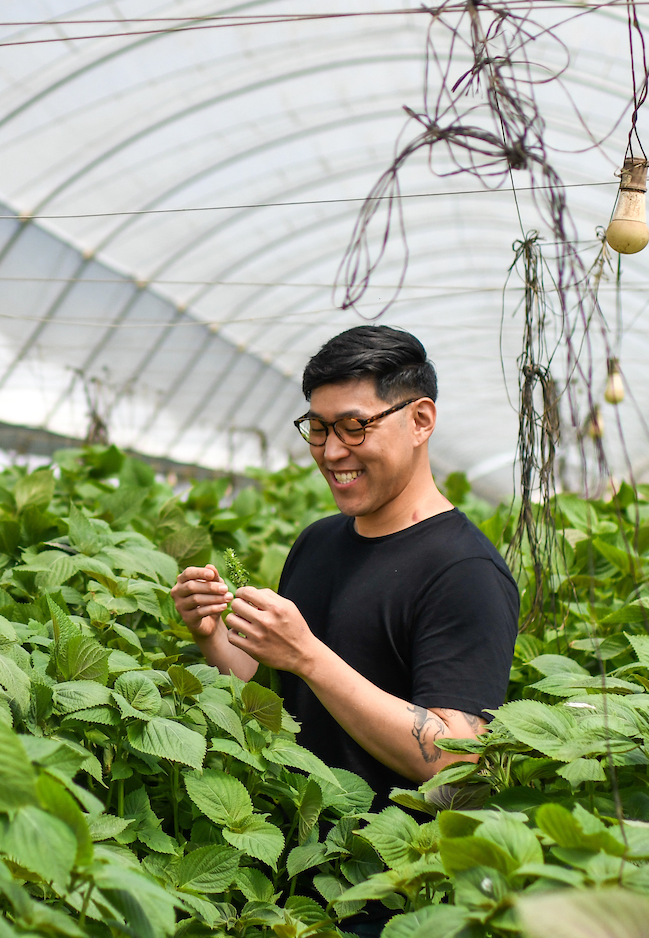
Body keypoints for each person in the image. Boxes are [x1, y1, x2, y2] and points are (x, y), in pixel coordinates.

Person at [170, 325, 518, 807]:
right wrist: (211, 633)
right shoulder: (318, 541)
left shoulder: (464, 572)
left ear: (420, 420)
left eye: (355, 427)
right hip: (294, 853)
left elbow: (455, 762)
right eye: (318, 428)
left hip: (382, 866)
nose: (332, 452)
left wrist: (308, 656)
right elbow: (268, 685)